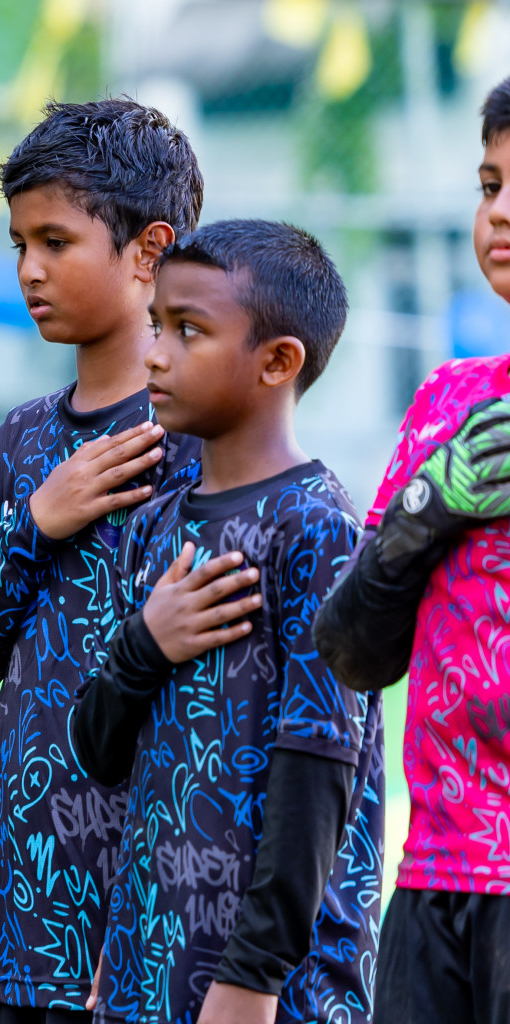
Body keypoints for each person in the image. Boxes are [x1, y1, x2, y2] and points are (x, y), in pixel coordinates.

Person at [0, 98, 204, 1024]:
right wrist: (38, 521)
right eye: (18, 243)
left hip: (144, 929)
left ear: (148, 251)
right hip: (13, 923)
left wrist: (146, 935)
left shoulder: (203, 445)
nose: (28, 270)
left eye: (55, 240)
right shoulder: (19, 442)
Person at [72, 219, 383, 1024]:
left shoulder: (317, 531)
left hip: (272, 991)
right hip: (148, 974)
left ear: (278, 362)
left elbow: (317, 774)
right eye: (157, 326)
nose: (155, 355)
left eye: (189, 331)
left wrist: (253, 977)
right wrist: (145, 644)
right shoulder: (158, 521)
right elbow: (100, 753)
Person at [312, 75, 510, 1024]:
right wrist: (426, 511)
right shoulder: (448, 404)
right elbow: (354, 652)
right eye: (487, 185)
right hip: (434, 879)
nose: (499, 213)